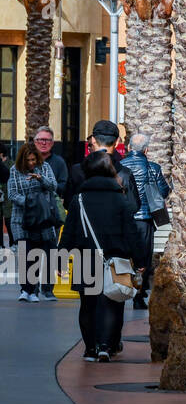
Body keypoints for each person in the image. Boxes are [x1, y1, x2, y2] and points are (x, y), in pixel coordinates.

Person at [59, 151, 148, 361]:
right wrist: (141, 260)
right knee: (113, 303)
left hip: (84, 259)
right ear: (110, 170)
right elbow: (131, 233)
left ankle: (90, 348)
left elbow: (69, 231)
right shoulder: (120, 199)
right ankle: (106, 346)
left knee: (87, 305)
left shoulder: (78, 200)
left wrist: (61, 258)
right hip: (115, 259)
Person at [119, 132, 170, 309]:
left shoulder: (119, 166)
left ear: (129, 148)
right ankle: (138, 296)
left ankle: (121, 288)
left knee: (125, 256)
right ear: (146, 150)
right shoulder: (153, 167)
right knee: (143, 259)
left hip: (125, 218)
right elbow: (164, 191)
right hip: (145, 219)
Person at [7, 142, 61, 301]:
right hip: (22, 219)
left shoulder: (44, 168)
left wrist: (41, 178)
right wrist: (31, 204)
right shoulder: (15, 171)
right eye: (28, 160)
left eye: (33, 160)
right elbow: (12, 194)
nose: (31, 163)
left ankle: (41, 289)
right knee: (25, 253)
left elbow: (53, 186)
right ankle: (26, 290)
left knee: (43, 252)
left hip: (42, 219)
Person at [65, 121, 140, 215]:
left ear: (93, 140)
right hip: (114, 226)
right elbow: (134, 206)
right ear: (116, 142)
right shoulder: (125, 173)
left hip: (85, 227)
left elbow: (68, 203)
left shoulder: (77, 171)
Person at [32, 126, 68, 206]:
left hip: (51, 206)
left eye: (47, 140)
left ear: (52, 143)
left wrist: (47, 186)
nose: (44, 143)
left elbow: (63, 186)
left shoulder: (59, 162)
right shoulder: (27, 161)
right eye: (41, 139)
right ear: (35, 142)